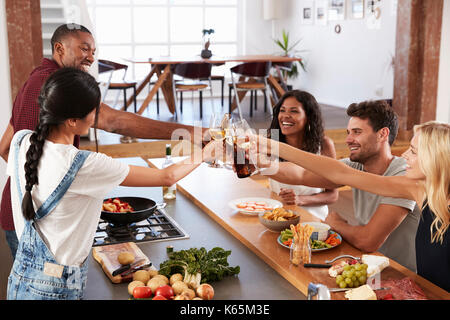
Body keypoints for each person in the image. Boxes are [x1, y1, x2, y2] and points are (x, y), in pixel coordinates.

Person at [6, 67, 216, 300]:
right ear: (73, 121)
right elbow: (166, 177)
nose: (97, 116)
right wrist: (206, 154)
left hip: (19, 280)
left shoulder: (21, 141)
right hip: (56, 290)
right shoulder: (83, 164)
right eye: (93, 110)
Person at [0, 23, 206, 259]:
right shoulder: (59, 91)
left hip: (22, 214)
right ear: (59, 48)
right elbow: (114, 122)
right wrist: (193, 133)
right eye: (84, 49)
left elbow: (6, 146)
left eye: (93, 52)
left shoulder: (38, 80)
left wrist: (42, 185)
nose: (90, 57)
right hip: (43, 225)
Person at [254, 120, 449, 291]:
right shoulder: (420, 190)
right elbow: (341, 173)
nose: (405, 154)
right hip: (426, 292)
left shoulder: (418, 189)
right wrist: (273, 147)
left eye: (413, 151)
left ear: (435, 159)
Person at [255, 100, 420, 272]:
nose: (349, 140)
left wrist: (336, 224)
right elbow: (301, 173)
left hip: (400, 273)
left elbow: (368, 240)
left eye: (357, 132)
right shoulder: (357, 165)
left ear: (382, 134)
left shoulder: (403, 172)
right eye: (348, 132)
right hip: (371, 265)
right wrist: (261, 164)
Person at [265, 90, 338, 220]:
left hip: (313, 218)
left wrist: (299, 199)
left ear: (308, 117)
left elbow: (332, 195)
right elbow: (248, 165)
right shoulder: (272, 142)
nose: (285, 116)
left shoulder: (324, 145)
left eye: (294, 111)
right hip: (277, 216)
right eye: (282, 110)